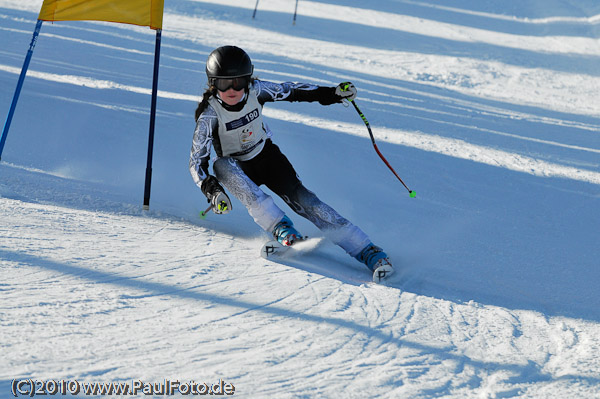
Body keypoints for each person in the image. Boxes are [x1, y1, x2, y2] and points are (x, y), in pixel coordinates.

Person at [189, 45, 394, 282]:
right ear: (214, 84)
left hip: (268, 159)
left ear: (248, 80)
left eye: (239, 82)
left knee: (306, 201)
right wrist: (213, 192)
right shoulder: (209, 116)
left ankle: (367, 250)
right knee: (221, 165)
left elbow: (292, 91)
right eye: (225, 84)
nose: (233, 89)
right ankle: (280, 226)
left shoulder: (257, 90)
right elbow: (197, 162)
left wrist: (332, 94)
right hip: (238, 170)